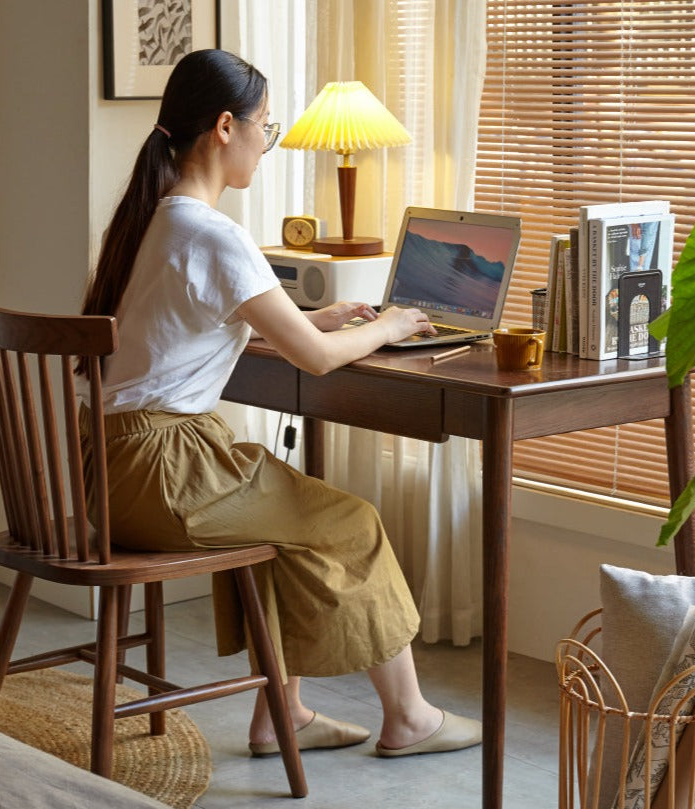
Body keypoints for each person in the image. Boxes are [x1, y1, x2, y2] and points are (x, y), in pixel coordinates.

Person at [78, 48, 481, 759]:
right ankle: (411, 716)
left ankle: (283, 713)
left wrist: (314, 319)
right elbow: (317, 361)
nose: (269, 141)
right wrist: (390, 324)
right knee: (351, 520)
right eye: (267, 125)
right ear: (225, 127)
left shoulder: (154, 218)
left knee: (276, 522)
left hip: (108, 468)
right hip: (159, 470)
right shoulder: (212, 232)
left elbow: (199, 325)